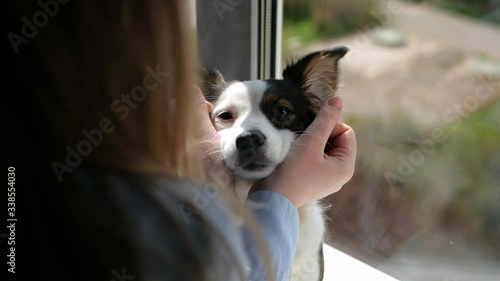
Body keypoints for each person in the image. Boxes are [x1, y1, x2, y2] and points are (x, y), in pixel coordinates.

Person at [7, 1, 356, 280]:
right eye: (225, 117)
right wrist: (281, 196)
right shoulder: (141, 220)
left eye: (280, 114)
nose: (249, 136)